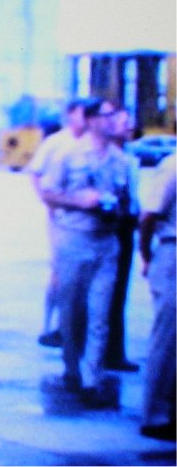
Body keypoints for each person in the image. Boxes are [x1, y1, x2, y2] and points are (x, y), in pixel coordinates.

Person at [39, 98, 130, 406]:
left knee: (100, 312)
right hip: (73, 240)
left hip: (105, 242)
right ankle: (72, 367)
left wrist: (116, 208)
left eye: (115, 116)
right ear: (91, 120)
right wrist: (81, 201)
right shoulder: (67, 154)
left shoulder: (120, 160)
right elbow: (48, 193)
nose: (113, 121)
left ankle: (93, 378)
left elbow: (129, 200)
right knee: (72, 310)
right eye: (107, 115)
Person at [28, 97, 87, 347]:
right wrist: (47, 201)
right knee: (59, 272)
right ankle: (50, 325)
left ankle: (72, 326)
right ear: (70, 115)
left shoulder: (92, 143)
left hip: (87, 218)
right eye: (83, 114)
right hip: (61, 216)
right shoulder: (56, 143)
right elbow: (35, 173)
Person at [138, 152, 176, 441]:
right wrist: (147, 254)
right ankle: (156, 415)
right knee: (168, 338)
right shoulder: (173, 165)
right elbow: (149, 215)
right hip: (173, 251)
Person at [104, 107, 140, 371]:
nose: (128, 126)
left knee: (119, 293)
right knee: (110, 292)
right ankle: (109, 352)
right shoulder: (108, 157)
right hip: (113, 227)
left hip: (127, 225)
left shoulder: (129, 156)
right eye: (122, 122)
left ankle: (115, 351)